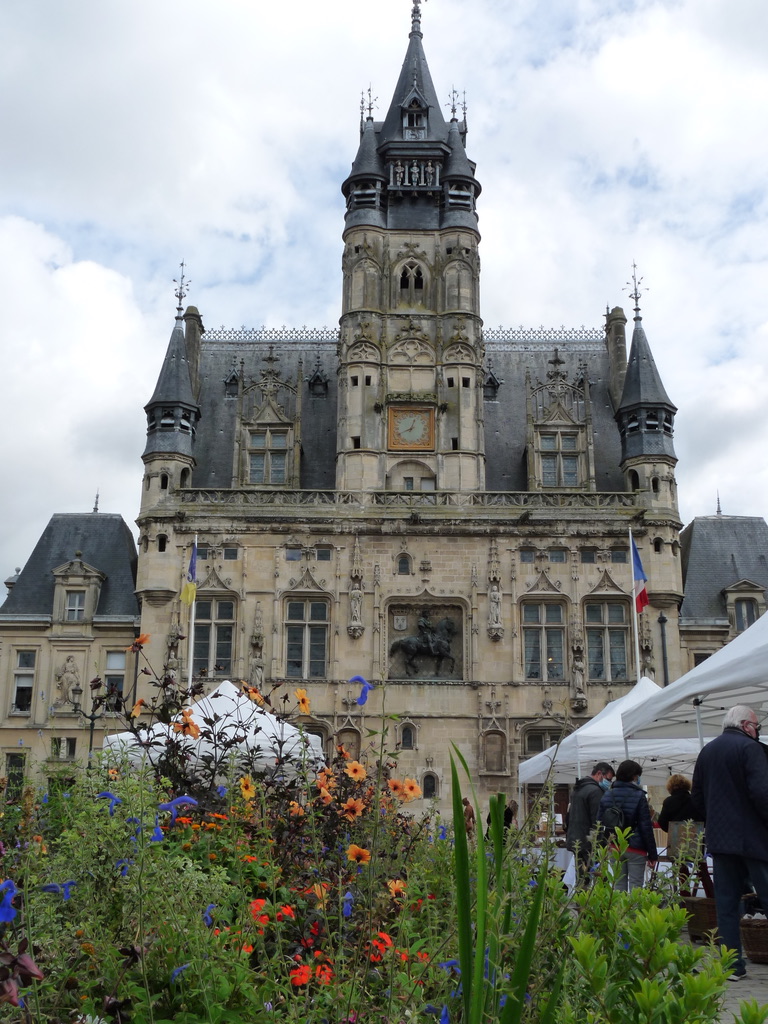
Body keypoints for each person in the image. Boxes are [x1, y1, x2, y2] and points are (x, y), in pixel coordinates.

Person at [690, 704, 768, 981]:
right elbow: (762, 793)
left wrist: (716, 819)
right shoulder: (750, 749)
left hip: (721, 840)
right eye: (757, 727)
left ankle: (732, 966)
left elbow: (696, 798)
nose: (758, 732)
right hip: (755, 838)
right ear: (747, 725)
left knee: (726, 905)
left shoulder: (707, 752)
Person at [597, 759, 658, 892]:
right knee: (636, 887)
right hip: (636, 846)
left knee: (618, 886)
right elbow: (645, 826)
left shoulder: (607, 794)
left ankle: (618, 913)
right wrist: (653, 854)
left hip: (614, 845)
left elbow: (600, 823)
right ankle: (634, 913)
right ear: (634, 776)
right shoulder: (639, 796)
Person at [565, 761, 614, 876]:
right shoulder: (595, 791)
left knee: (581, 877)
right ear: (599, 774)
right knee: (596, 877)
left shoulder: (578, 788)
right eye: (608, 779)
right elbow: (597, 820)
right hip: (589, 842)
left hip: (575, 839)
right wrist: (602, 844)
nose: (609, 783)